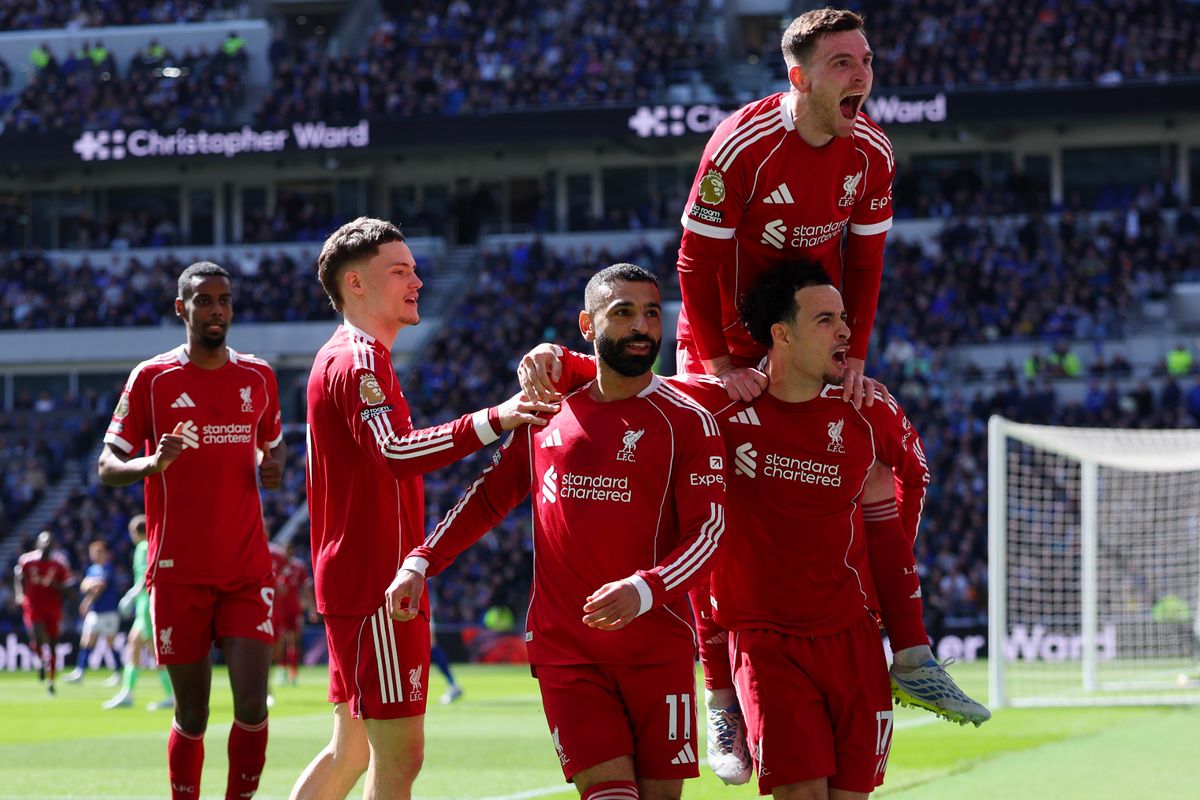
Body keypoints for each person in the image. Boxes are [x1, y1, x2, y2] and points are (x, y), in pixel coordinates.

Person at [527, 261, 988, 796]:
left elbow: (916, 472)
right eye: (826, 320)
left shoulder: (866, 406)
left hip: (854, 638)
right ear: (781, 334)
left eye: (844, 318)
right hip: (766, 642)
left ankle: (914, 660)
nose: (846, 332)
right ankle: (721, 696)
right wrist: (561, 361)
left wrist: (889, 555)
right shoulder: (720, 404)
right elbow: (636, 380)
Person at [668, 8, 986, 777]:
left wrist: (853, 358)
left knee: (889, 469)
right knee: (711, 508)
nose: (863, 76)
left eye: (867, 60)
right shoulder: (742, 146)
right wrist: (716, 362)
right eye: (843, 63)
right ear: (799, 76)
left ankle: (901, 644)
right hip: (724, 344)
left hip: (815, 336)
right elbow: (693, 265)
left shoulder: (872, 151)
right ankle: (720, 698)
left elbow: (867, 265)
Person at [390, 263, 727, 800]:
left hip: (655, 647)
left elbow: (709, 534)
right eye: (623, 313)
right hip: (567, 650)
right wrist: (422, 560)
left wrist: (644, 590)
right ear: (587, 326)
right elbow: (489, 496)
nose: (641, 326)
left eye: (650, 313)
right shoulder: (547, 411)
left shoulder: (686, 420)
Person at [291, 217, 552, 800]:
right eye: (399, 271)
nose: (417, 282)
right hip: (374, 581)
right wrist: (498, 417)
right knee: (399, 753)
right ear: (355, 284)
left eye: (414, 269)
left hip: (361, 576)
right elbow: (396, 452)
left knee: (352, 750)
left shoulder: (347, 357)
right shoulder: (358, 361)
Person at [98, 260, 285, 800]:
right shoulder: (152, 378)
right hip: (178, 574)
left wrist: (274, 466)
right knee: (193, 713)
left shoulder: (258, 376)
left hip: (248, 569)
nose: (217, 310)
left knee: (252, 705)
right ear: (182, 309)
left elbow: (273, 445)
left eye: (224, 300)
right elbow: (108, 465)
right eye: (205, 300)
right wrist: (150, 465)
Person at [104, 514, 175, 711]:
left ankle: (172, 695)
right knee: (134, 645)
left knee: (155, 652)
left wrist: (132, 594)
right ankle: (128, 693)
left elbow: (147, 575)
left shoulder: (144, 547)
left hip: (147, 605)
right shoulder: (145, 546)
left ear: (135, 532)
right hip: (144, 604)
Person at [13, 530, 72, 695]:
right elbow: (18, 575)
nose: (47, 544)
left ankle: (51, 681)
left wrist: (55, 585)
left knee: (53, 645)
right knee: (38, 639)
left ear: (54, 545)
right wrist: (19, 594)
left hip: (52, 607)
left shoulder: (59, 563)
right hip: (33, 606)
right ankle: (41, 661)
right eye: (44, 541)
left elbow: (68, 588)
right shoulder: (27, 560)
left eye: (50, 542)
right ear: (38, 543)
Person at [64, 539, 123, 686]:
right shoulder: (92, 569)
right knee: (86, 641)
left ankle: (118, 672)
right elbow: (84, 586)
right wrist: (90, 586)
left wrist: (88, 599)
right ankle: (80, 672)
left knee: (110, 643)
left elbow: (99, 586)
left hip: (108, 611)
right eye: (92, 553)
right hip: (95, 612)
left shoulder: (108, 568)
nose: (94, 555)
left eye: (97, 552)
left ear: (104, 553)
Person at [269, 541, 314, 691]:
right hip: (280, 610)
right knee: (281, 641)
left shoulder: (298, 567)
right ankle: (282, 671)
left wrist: (311, 606)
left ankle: (293, 673)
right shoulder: (276, 568)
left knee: (294, 641)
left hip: (294, 610)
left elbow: (306, 586)